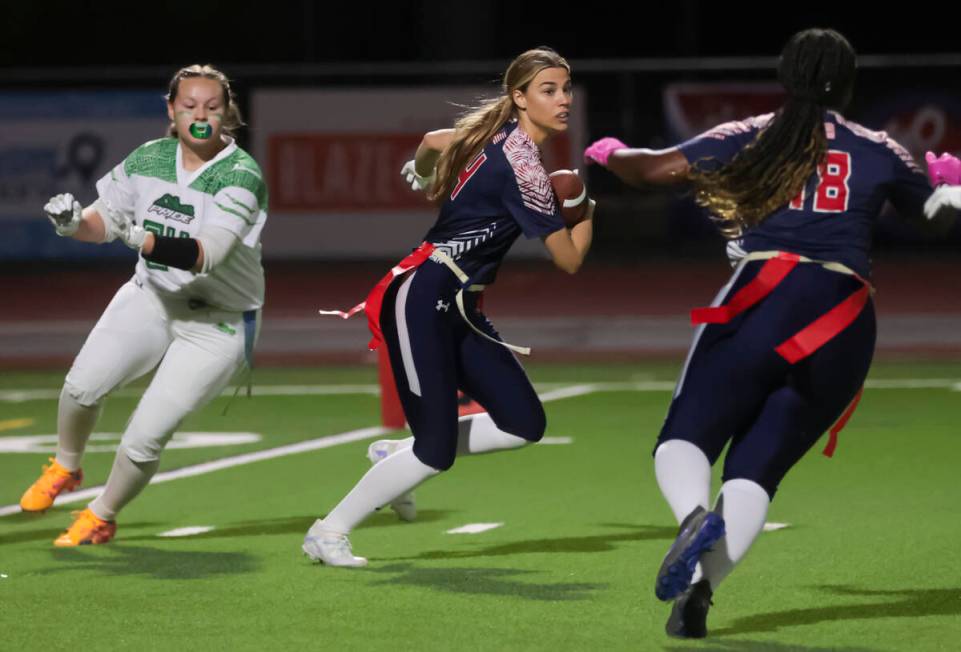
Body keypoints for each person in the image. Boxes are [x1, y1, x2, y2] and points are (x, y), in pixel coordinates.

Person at [584, 28, 931, 638]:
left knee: (684, 439)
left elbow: (657, 170)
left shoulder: (751, 134)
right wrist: (951, 184)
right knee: (756, 471)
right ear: (848, 85)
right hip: (845, 317)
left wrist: (610, 152)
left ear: (785, 76)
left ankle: (693, 518)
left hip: (765, 296)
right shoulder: (880, 148)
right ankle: (699, 597)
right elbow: (935, 217)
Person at [305, 46, 594, 567]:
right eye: (548, 90)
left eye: (566, 88)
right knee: (434, 450)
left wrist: (418, 173)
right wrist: (585, 209)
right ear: (519, 97)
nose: (563, 99)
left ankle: (392, 459)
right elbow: (570, 261)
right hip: (422, 296)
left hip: (460, 305)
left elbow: (432, 142)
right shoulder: (524, 167)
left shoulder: (497, 136)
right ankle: (329, 531)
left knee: (523, 422)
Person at [20, 64, 267, 546]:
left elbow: (206, 254)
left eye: (212, 107)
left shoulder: (241, 175)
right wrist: (73, 224)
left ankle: (102, 513)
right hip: (151, 297)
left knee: (143, 438)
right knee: (80, 387)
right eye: (190, 105)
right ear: (172, 110)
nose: (201, 115)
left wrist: (138, 236)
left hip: (215, 324)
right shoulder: (149, 158)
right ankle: (67, 466)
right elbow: (102, 221)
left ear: (226, 112)